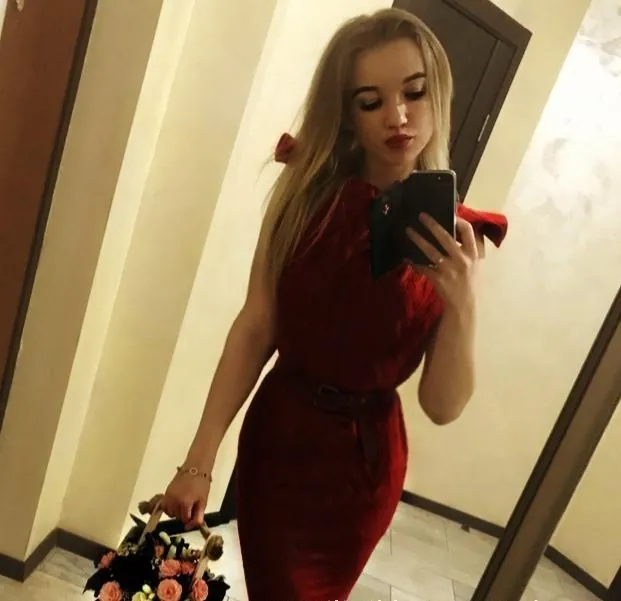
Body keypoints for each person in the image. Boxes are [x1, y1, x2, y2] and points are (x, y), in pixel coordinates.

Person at [161, 7, 508, 600]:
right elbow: (256, 327)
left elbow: (442, 405)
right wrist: (199, 459)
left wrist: (465, 304)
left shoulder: (455, 240)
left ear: (439, 95)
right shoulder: (304, 197)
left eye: (415, 92)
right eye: (371, 101)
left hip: (365, 470)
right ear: (347, 113)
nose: (398, 116)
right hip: (281, 445)